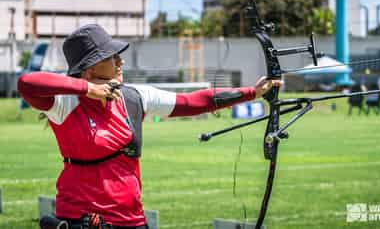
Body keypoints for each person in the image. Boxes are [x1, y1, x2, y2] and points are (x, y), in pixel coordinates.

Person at [18, 24, 282, 229]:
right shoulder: (65, 105)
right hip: (81, 219)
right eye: (111, 57)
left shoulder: (134, 97)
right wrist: (88, 90)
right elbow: (27, 83)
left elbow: (193, 101)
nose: (120, 62)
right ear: (88, 69)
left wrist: (253, 92)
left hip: (131, 219)